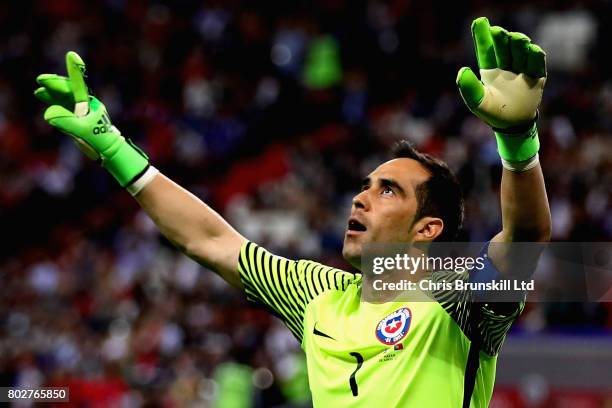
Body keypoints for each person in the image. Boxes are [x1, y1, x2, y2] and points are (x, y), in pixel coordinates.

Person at [34, 17, 551, 407]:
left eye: (389, 191)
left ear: (428, 230)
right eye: (365, 186)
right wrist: (114, 148)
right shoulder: (317, 295)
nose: (361, 197)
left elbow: (525, 237)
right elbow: (212, 241)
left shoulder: (458, 297)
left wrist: (517, 141)